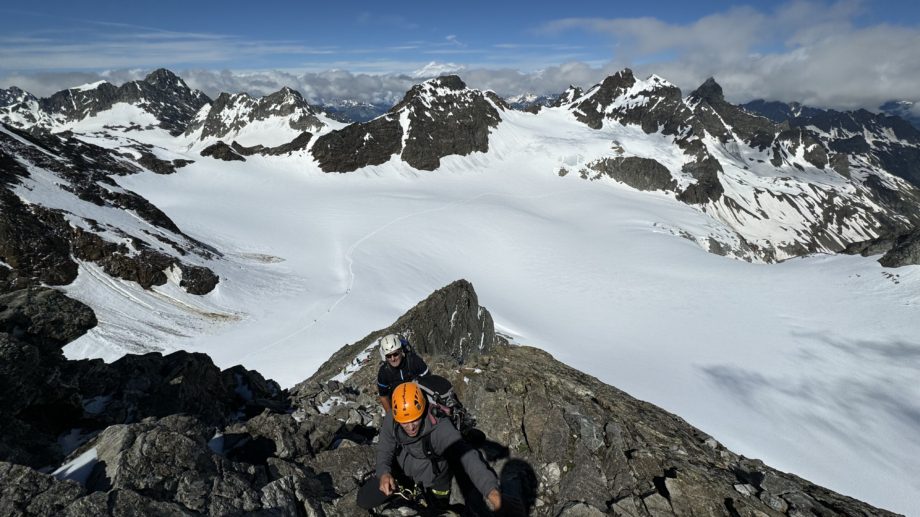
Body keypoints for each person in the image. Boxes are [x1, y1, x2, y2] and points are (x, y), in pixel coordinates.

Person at [357, 382, 502, 513]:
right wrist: (384, 473)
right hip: (402, 470)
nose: (411, 427)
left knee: (438, 509)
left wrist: (492, 492)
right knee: (364, 499)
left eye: (415, 420)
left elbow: (467, 457)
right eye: (405, 422)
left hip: (433, 478)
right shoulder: (393, 418)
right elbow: (385, 448)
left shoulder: (440, 428)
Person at [376, 334, 430, 413]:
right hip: (399, 408)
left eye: (395, 354)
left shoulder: (414, 361)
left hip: (420, 402)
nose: (393, 359)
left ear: (401, 351)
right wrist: (390, 415)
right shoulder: (383, 372)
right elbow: (383, 396)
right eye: (389, 356)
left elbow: (429, 382)